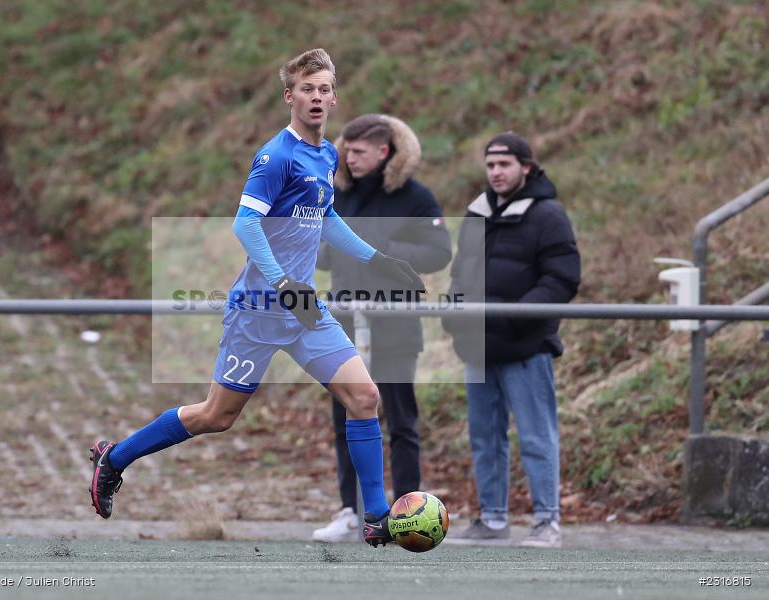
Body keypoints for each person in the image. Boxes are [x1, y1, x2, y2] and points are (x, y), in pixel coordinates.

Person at [88, 49, 425, 549]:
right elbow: (245, 223)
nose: (316, 96)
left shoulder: (326, 154)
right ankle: (113, 460)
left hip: (305, 309)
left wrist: (378, 260)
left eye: (324, 88)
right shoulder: (276, 156)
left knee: (365, 396)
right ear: (290, 97)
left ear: (334, 97)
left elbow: (325, 218)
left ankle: (375, 515)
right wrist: (282, 282)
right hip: (259, 311)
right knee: (215, 416)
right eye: (307, 88)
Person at [311, 114, 451, 542]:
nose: (348, 159)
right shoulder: (337, 194)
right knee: (345, 418)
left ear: (384, 152)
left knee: (401, 423)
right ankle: (351, 510)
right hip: (345, 326)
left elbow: (438, 252)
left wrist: (377, 249)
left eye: (357, 151)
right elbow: (322, 252)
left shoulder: (415, 197)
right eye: (345, 151)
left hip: (394, 327)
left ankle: (407, 511)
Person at [445, 132, 580, 548]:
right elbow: (459, 275)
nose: (496, 173)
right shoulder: (476, 214)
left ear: (526, 166)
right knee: (485, 437)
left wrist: (518, 318)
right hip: (478, 348)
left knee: (537, 436)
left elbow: (562, 278)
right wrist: (456, 317)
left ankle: (547, 522)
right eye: (490, 166)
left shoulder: (548, 215)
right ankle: (493, 518)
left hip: (525, 348)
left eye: (504, 165)